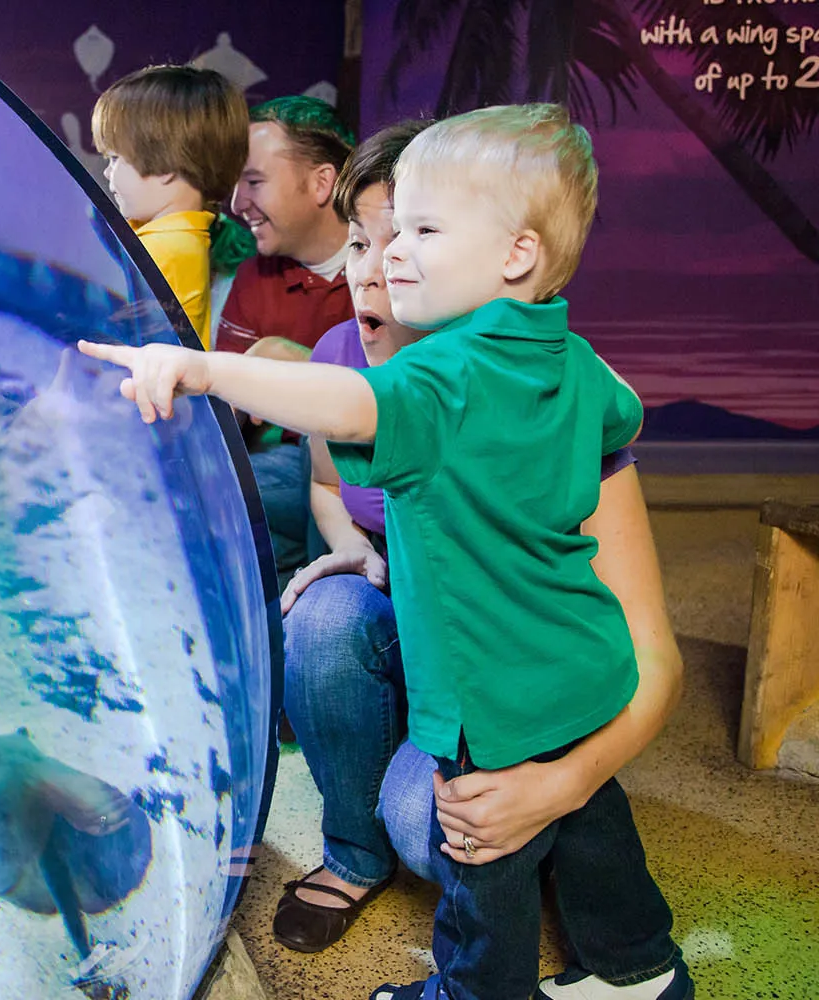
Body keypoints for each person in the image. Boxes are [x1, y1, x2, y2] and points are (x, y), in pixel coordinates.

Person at [78, 103, 690, 1000]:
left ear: (515, 254)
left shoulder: (446, 376)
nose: (393, 252)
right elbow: (620, 410)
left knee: (485, 852)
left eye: (423, 230)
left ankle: (474, 991)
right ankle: (640, 970)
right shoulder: (572, 359)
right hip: (576, 665)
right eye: (386, 231)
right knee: (596, 825)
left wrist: (200, 368)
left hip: (489, 687)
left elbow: (349, 404)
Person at [274, 121, 685, 985]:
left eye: (417, 235)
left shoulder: (539, 384)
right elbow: (324, 482)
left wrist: (559, 784)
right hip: (409, 627)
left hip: (494, 660)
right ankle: (351, 854)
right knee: (322, 617)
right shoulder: (337, 361)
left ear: (505, 258)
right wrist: (352, 547)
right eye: (361, 241)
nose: (379, 264)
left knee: (450, 824)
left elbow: (650, 656)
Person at [212, 96, 356, 588]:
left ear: (322, 182)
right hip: (274, 475)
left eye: (253, 182)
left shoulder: (390, 272)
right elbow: (226, 414)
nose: (237, 203)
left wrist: (302, 368)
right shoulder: (255, 277)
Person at [90, 65, 249, 350]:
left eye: (115, 158)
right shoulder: (180, 236)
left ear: (165, 167)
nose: (107, 173)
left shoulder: (168, 248)